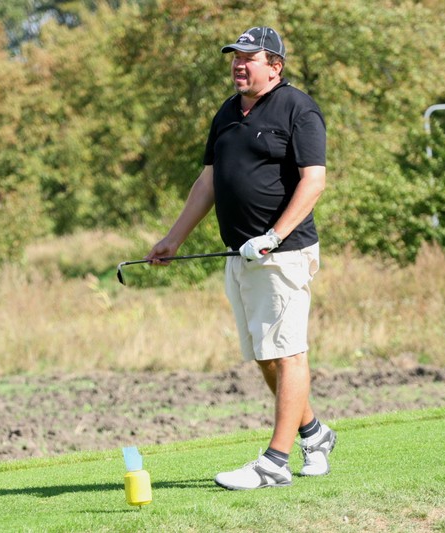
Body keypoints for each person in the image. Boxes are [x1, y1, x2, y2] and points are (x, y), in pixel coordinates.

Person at [145, 26, 336, 490]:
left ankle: (275, 463)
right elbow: (208, 182)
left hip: (283, 253)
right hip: (240, 254)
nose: (238, 64)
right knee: (265, 355)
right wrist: (173, 238)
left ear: (275, 66)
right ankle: (315, 433)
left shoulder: (298, 108)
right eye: (235, 56)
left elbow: (313, 181)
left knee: (287, 353)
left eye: (249, 57)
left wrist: (274, 235)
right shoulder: (227, 112)